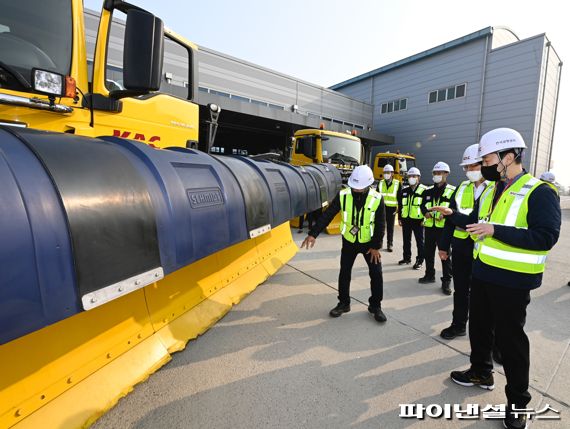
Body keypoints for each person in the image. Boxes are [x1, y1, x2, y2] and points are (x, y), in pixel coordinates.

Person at [430, 128, 561, 429]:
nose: (484, 164)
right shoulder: (492, 189)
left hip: (514, 281)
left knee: (510, 341)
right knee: (478, 328)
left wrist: (495, 231)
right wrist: (451, 213)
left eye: (488, 158)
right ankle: (480, 372)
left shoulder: (539, 191)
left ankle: (518, 404)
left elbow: (546, 236)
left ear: (509, 156)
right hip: (484, 272)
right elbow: (477, 224)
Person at [301, 165, 387, 322]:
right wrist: (313, 234)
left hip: (369, 244)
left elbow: (381, 224)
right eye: (355, 187)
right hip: (349, 241)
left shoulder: (377, 198)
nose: (356, 190)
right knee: (344, 273)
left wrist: (376, 246)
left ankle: (375, 306)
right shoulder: (343, 195)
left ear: (368, 184)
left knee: (376, 274)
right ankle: (343, 303)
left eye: (360, 188)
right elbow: (327, 215)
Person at [438, 144, 489, 338]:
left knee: (485, 296)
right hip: (461, 247)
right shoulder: (462, 187)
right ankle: (458, 324)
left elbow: (470, 219)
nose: (469, 171)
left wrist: (454, 215)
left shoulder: (495, 188)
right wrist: (443, 246)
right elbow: (450, 217)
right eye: (466, 167)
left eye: (473, 166)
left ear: (484, 164)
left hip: (485, 249)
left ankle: (494, 340)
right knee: (460, 291)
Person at [419, 162, 456, 294]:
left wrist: (445, 216)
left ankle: (446, 281)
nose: (436, 175)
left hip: (444, 229)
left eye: (439, 173)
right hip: (429, 227)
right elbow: (422, 205)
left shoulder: (452, 191)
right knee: (428, 253)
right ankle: (429, 275)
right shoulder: (428, 191)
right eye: (435, 173)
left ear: (446, 174)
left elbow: (454, 209)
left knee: (445, 255)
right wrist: (425, 213)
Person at [397, 167, 426, 269]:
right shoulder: (404, 190)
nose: (411, 178)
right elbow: (401, 205)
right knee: (406, 240)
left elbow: (427, 207)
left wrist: (424, 220)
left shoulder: (424, 190)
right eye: (409, 176)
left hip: (419, 221)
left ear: (419, 177)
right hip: (406, 219)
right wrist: (399, 218)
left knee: (420, 242)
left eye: (414, 176)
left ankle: (420, 260)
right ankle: (406, 258)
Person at [377, 164, 400, 252]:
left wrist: (399, 209)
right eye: (385, 172)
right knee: (380, 227)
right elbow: (377, 196)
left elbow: (399, 198)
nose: (386, 174)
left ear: (392, 173)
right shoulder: (381, 183)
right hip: (381, 208)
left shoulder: (397, 184)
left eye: (388, 172)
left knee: (390, 228)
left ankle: (389, 244)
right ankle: (379, 243)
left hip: (392, 209)